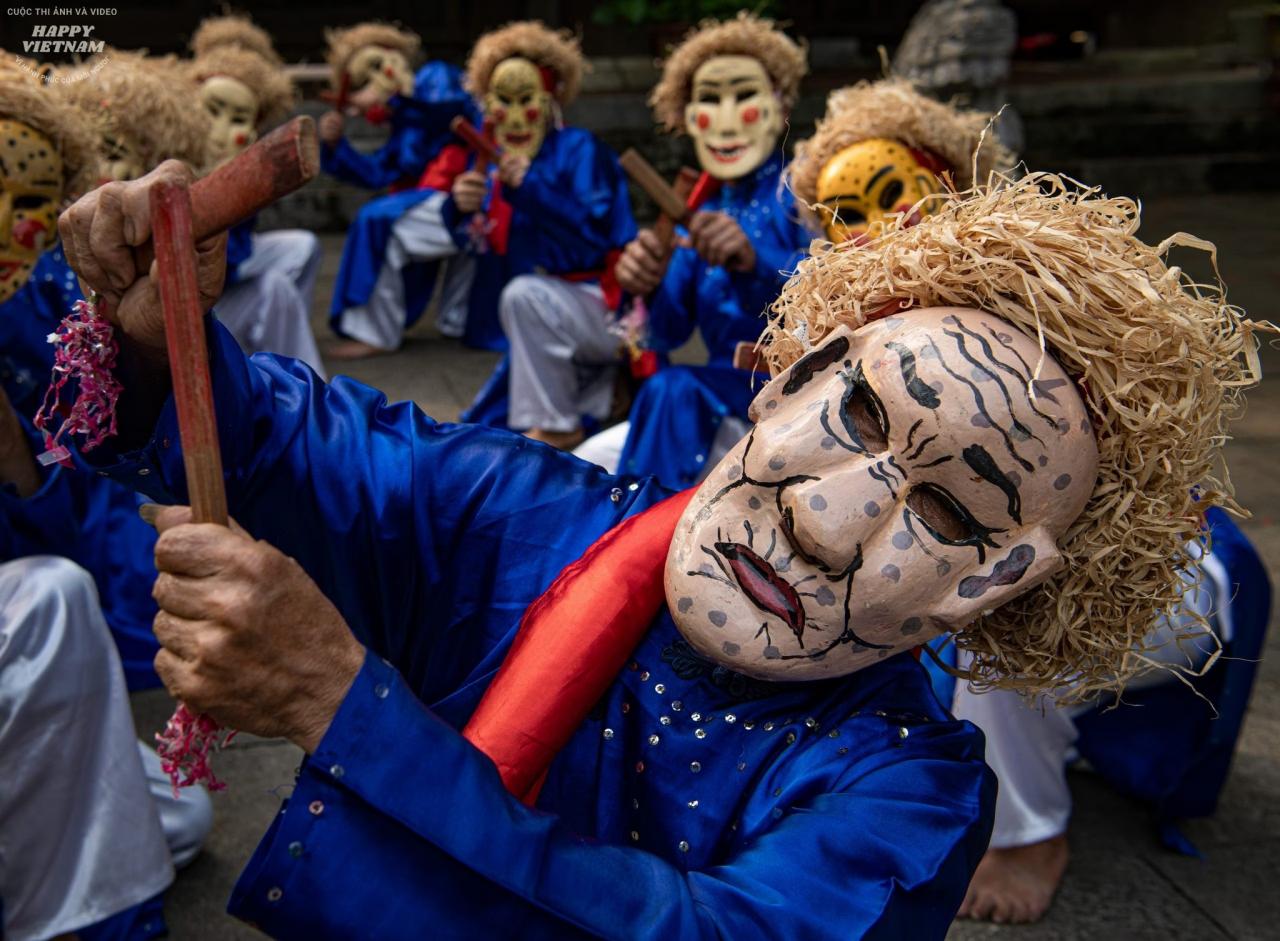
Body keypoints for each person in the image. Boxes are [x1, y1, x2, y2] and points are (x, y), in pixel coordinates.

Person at [61, 160, 1262, 939]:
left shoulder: (905, 792)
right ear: (788, 378)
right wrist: (155, 327)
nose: (825, 517)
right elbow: (294, 435)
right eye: (853, 418)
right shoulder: (524, 514)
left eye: (946, 514)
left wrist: (343, 708)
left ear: (995, 579)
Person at [575, 13, 812, 484]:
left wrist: (756, 261)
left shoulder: (806, 188)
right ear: (688, 117)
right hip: (718, 402)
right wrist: (641, 287)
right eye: (709, 101)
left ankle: (642, 544)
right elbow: (658, 337)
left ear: (780, 102)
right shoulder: (695, 207)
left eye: (743, 96)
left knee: (672, 392)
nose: (725, 118)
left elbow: (847, 285)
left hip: (801, 405)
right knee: (581, 467)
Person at [319, 22, 480, 356]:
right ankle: (451, 322)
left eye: (368, 78)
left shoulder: (434, 78)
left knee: (377, 221)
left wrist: (397, 95)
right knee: (381, 219)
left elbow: (452, 112)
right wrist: (335, 145)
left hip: (472, 188)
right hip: (438, 200)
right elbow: (378, 172)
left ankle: (377, 333)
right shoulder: (401, 127)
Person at [185, 15, 326, 376]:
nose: (220, 129)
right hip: (177, 311)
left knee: (302, 246)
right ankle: (292, 377)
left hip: (225, 271)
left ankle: (283, 340)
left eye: (238, 118)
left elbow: (236, 249)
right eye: (213, 110)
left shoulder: (245, 152)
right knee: (274, 289)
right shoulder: (169, 151)